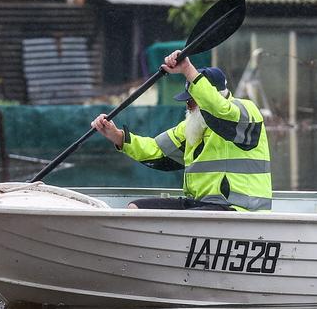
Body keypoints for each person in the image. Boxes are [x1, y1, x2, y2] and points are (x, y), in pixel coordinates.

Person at [90, 52, 272, 211]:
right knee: (135, 208)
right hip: (199, 205)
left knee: (193, 218)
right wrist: (117, 136)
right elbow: (156, 150)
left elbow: (219, 109)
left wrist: (188, 70)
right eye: (187, 102)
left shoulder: (246, 112)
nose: (189, 107)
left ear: (213, 95)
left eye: (192, 101)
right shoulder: (192, 127)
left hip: (239, 209)